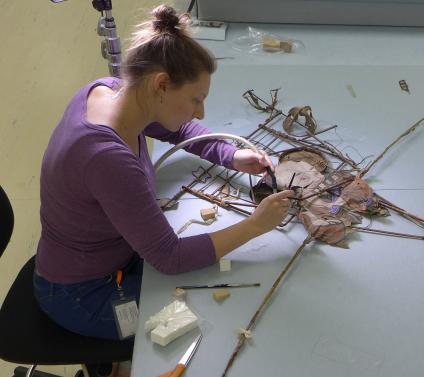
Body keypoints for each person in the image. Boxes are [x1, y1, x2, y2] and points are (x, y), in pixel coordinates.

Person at [33, 4, 292, 345]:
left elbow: (179, 130)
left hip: (112, 254)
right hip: (82, 292)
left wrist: (230, 155)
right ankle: (115, 375)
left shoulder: (109, 92)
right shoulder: (108, 160)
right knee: (200, 317)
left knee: (204, 286)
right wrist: (256, 225)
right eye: (195, 99)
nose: (200, 111)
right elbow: (170, 257)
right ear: (161, 85)